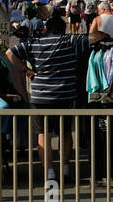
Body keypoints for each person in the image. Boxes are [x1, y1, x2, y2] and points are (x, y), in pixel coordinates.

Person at [8, 14, 90, 183]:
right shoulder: (70, 41)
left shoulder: (34, 43)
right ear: (63, 29)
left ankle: (50, 174)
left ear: (46, 29)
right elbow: (95, 38)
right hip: (65, 96)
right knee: (65, 133)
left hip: (40, 97)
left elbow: (9, 53)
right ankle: (66, 170)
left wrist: (26, 70)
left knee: (43, 135)